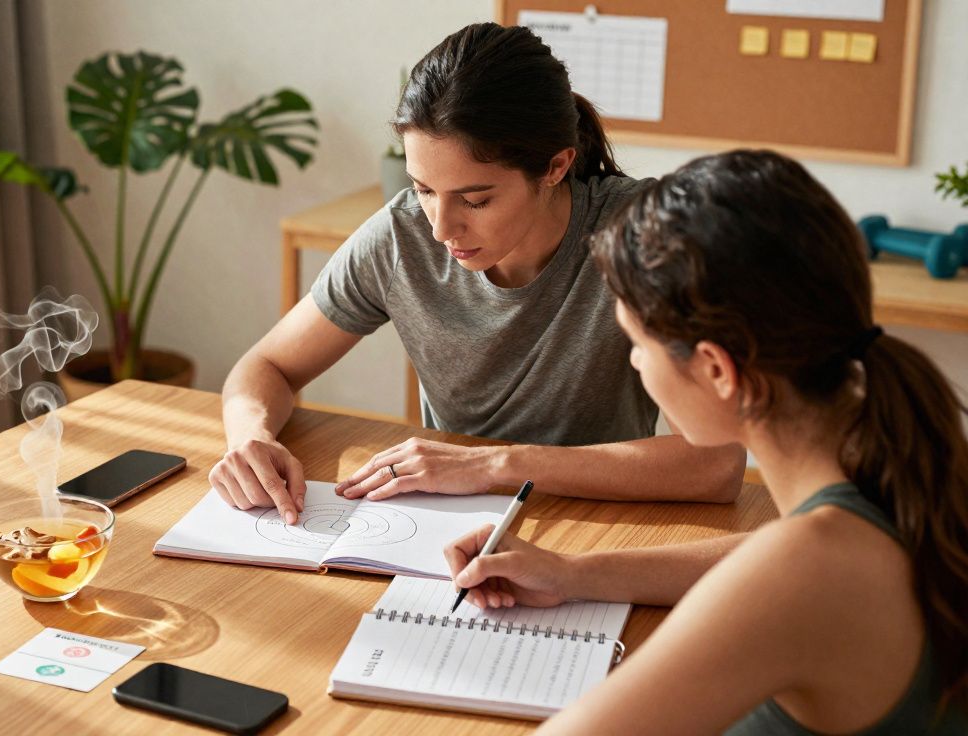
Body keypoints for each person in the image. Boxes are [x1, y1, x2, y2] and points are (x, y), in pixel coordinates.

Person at [446, 149, 968, 734]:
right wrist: (572, 572)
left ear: (717, 369)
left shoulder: (808, 569)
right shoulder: (900, 483)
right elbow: (758, 557)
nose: (636, 364)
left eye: (637, 345)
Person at [210, 23, 744, 524]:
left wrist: (496, 465)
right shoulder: (401, 237)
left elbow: (718, 464)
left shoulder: (643, 236)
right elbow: (267, 367)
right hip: (446, 523)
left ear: (555, 166)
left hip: (605, 518)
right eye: (423, 189)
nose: (441, 228)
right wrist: (251, 437)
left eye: (476, 199)